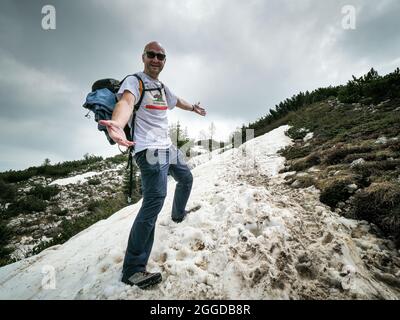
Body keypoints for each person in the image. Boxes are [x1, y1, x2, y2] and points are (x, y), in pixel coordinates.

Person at [99, 41, 206, 289]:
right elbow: (126, 102)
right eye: (152, 55)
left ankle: (179, 215)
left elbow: (175, 99)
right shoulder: (134, 81)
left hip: (167, 147)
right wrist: (117, 123)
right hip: (148, 150)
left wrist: (193, 108)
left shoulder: (160, 86)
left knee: (186, 178)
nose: (156, 59)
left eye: (161, 56)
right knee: (154, 202)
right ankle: (133, 269)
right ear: (143, 57)